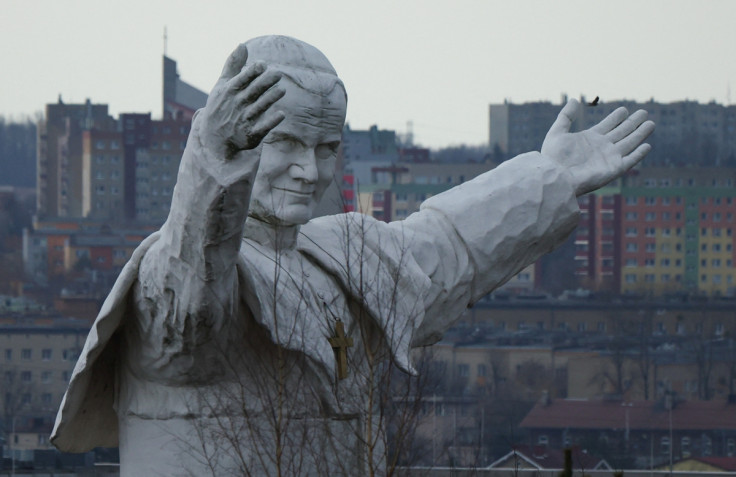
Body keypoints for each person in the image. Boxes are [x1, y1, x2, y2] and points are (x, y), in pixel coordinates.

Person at [51, 35, 654, 475]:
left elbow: (449, 243)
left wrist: (550, 178)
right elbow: (191, 307)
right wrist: (211, 165)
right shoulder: (177, 272)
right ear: (234, 140)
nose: (309, 171)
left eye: (327, 147)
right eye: (284, 143)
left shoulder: (343, 253)